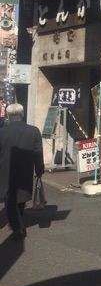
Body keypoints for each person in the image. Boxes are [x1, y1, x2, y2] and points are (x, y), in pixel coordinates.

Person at [0, 103, 44, 241]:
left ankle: (18, 228)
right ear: (22, 114)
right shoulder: (34, 131)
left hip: (5, 170)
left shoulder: (2, 132)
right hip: (25, 170)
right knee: (20, 198)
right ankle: (17, 223)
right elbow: (38, 153)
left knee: (10, 199)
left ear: (8, 116)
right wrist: (39, 169)